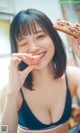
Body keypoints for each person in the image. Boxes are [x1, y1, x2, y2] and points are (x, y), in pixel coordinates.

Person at [0, 9, 80, 133]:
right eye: (23, 42)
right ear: (16, 49)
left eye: (40, 36)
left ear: (54, 38)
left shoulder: (73, 76)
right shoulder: (9, 90)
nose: (33, 48)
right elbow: (4, 131)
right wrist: (12, 92)